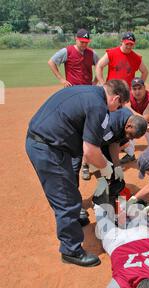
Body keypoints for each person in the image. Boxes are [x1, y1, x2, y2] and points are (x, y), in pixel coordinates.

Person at [25, 80, 130, 267]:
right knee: (67, 200)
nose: (116, 110)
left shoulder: (89, 91)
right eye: (119, 106)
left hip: (51, 143)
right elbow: (90, 151)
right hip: (47, 148)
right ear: (115, 98)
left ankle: (72, 220)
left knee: (67, 189)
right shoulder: (99, 106)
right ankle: (71, 251)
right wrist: (107, 167)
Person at [48, 28, 100, 182]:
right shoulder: (67, 51)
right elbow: (51, 62)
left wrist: (95, 82)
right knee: (71, 125)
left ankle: (85, 164)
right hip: (72, 94)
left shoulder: (92, 53)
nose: (84, 45)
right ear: (76, 39)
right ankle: (67, 157)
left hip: (88, 93)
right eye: (82, 42)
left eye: (86, 42)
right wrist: (61, 79)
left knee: (87, 127)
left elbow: (100, 66)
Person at [121, 77, 149, 164]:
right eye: (134, 89)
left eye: (140, 88)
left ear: (145, 88)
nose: (137, 91)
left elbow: (143, 121)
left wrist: (128, 108)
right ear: (131, 90)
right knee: (128, 130)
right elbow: (125, 108)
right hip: (135, 123)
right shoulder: (128, 96)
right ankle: (130, 154)